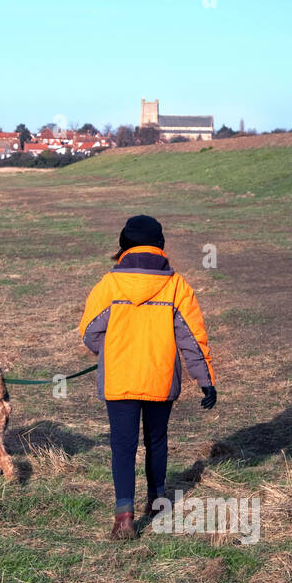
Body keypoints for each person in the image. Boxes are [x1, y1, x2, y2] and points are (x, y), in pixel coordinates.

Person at [77, 215, 217, 540]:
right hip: (160, 378)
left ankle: (124, 516)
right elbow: (192, 339)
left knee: (122, 446)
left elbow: (88, 333)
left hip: (119, 381)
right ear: (160, 246)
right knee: (156, 441)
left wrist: (112, 351)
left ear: (123, 246)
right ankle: (157, 501)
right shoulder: (177, 286)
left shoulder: (108, 286)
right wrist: (205, 379)